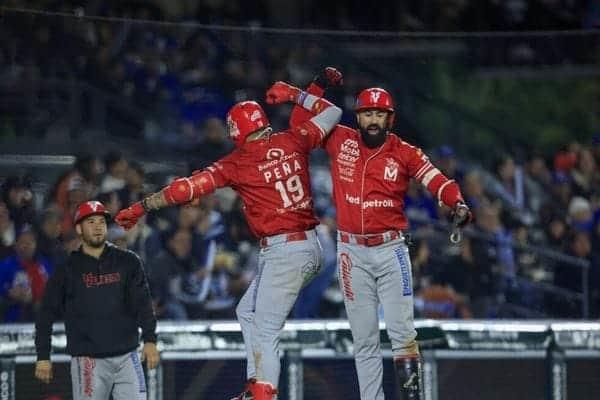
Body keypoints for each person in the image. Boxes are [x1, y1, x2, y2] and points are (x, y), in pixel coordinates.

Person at [114, 87, 342, 400]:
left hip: (284, 250)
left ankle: (265, 395)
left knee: (263, 325)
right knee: (247, 311)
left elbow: (185, 190)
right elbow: (333, 112)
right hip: (311, 245)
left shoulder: (237, 162)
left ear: (236, 131)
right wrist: (297, 94)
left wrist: (140, 207)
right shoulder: (292, 139)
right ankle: (255, 386)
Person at [287, 68, 472, 400]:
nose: (373, 119)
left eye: (379, 114)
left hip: (391, 251)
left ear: (390, 118)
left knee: (403, 333)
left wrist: (456, 202)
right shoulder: (338, 137)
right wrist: (317, 85)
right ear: (358, 116)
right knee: (364, 338)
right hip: (350, 253)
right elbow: (297, 128)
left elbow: (437, 180)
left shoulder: (405, 152)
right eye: (367, 113)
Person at [34, 200, 159, 400]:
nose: (98, 226)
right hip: (88, 360)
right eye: (90, 222)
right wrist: (43, 356)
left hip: (127, 355)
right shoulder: (67, 269)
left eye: (101, 221)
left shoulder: (128, 261)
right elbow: (46, 314)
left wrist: (150, 340)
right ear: (79, 229)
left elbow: (143, 304)